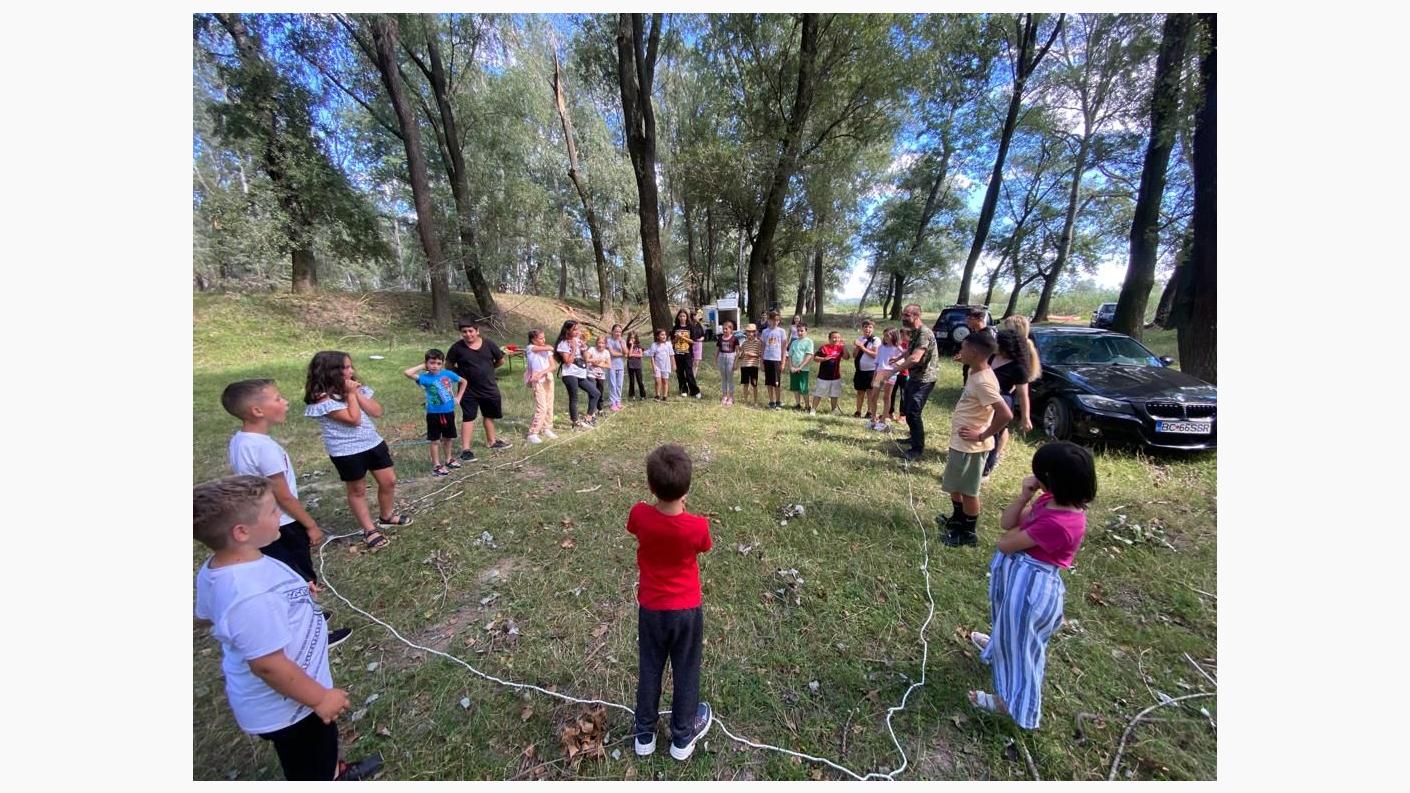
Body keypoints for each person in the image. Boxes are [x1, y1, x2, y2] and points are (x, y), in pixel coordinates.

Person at [194, 475, 382, 780]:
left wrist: (294, 593)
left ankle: (335, 770)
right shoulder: (248, 594)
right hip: (291, 707)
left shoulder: (231, 565)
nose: (280, 514)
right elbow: (268, 665)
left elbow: (209, 614)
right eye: (272, 511)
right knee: (311, 762)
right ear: (241, 532)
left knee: (319, 750)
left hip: (299, 696)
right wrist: (320, 698)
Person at [968, 442, 1096, 730]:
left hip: (1032, 589)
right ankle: (998, 645)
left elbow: (1005, 543)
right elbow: (1007, 523)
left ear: (1051, 479)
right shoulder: (1049, 501)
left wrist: (1019, 529)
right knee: (1007, 624)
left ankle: (1013, 704)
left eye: (1038, 473)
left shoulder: (1062, 523)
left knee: (1024, 649)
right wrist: (1024, 496)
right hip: (1019, 578)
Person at [221, 378, 352, 648]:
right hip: (283, 525)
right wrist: (310, 524)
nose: (286, 402)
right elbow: (282, 494)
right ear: (257, 410)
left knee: (287, 576)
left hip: (264, 523)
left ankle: (308, 617)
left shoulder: (240, 441)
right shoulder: (264, 448)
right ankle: (311, 634)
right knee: (300, 579)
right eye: (278, 398)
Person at [627, 444, 714, 761]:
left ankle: (644, 734)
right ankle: (682, 738)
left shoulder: (639, 515)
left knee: (650, 668)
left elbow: (636, 525)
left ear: (651, 486)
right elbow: (704, 546)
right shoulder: (697, 526)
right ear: (687, 489)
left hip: (651, 610)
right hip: (687, 611)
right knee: (686, 670)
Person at [303, 351, 408, 550]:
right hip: (346, 451)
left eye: (351, 366)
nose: (351, 371)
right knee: (357, 490)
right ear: (330, 371)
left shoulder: (354, 388)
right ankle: (369, 529)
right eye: (345, 368)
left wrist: (355, 392)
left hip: (372, 442)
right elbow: (353, 419)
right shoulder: (322, 399)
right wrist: (351, 395)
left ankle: (386, 516)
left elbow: (376, 412)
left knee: (389, 481)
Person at [938, 331, 1013, 547]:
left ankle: (968, 533)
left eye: (963, 348)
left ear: (974, 352)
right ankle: (957, 520)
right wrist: (965, 360)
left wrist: (982, 435)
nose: (959, 351)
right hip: (960, 442)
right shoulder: (976, 369)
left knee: (968, 492)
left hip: (972, 446)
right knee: (955, 485)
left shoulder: (983, 381)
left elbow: (1005, 414)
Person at [446, 318, 511, 458]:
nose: (468, 334)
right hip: (468, 390)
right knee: (468, 417)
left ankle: (492, 442)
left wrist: (489, 369)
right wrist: (460, 375)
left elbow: (500, 360)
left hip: (489, 387)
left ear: (477, 331)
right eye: (464, 332)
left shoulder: (489, 344)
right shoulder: (456, 348)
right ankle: (466, 450)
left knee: (489, 415)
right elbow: (449, 366)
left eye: (471, 331)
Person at [403, 349, 467, 477]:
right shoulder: (424, 378)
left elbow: (464, 381)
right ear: (427, 363)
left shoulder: (448, 374)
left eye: (438, 363)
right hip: (433, 414)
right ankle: (437, 465)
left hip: (448, 412)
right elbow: (407, 373)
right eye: (432, 363)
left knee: (448, 438)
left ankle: (448, 459)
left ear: (442, 364)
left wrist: (459, 397)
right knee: (435, 440)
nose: (435, 366)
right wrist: (422, 365)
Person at [983, 329, 1035, 479]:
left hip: (1001, 403)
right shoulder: (992, 357)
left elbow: (1023, 395)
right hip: (984, 401)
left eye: (998, 342)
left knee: (993, 436)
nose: (995, 344)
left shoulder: (1018, 367)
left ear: (1006, 346)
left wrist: (1025, 418)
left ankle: (985, 470)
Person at [890, 304, 940, 462]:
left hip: (924, 378)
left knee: (913, 412)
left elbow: (915, 358)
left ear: (917, 316)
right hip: (915, 377)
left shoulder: (924, 333)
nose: (903, 318)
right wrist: (898, 358)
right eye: (903, 314)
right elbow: (909, 351)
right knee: (908, 408)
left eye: (907, 315)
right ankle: (913, 437)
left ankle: (917, 449)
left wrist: (893, 371)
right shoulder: (915, 332)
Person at [555, 320, 600, 428]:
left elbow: (585, 358)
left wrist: (584, 348)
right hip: (570, 374)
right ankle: (575, 422)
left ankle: (588, 418)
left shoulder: (577, 340)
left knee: (595, 393)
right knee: (574, 397)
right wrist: (574, 348)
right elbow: (568, 361)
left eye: (578, 329)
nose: (577, 331)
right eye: (574, 329)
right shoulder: (563, 344)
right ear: (567, 330)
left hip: (581, 373)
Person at [524, 329, 559, 444]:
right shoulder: (530, 348)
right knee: (542, 407)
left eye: (544, 337)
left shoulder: (546, 351)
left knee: (549, 404)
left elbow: (553, 366)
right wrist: (538, 374)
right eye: (540, 338)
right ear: (533, 339)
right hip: (537, 381)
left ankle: (546, 428)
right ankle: (533, 433)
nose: (543, 340)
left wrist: (543, 372)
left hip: (548, 378)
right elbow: (549, 347)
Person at [869, 329, 902, 431]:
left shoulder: (898, 349)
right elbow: (877, 364)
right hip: (880, 373)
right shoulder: (881, 347)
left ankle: (883, 420)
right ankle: (873, 418)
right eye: (884, 335)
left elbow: (902, 363)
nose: (885, 338)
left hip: (890, 374)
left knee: (886, 397)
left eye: (888, 335)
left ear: (894, 336)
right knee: (873, 396)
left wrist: (895, 362)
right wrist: (874, 377)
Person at [810, 330, 847, 415]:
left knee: (834, 394)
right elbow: (815, 358)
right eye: (834, 337)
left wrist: (844, 347)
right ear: (829, 339)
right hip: (823, 376)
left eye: (838, 337)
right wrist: (824, 359)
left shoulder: (840, 348)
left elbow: (846, 357)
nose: (836, 339)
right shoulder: (824, 347)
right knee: (819, 393)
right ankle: (813, 409)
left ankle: (834, 410)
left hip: (835, 376)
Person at [958, 309, 995, 385]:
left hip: (979, 374)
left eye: (970, 319)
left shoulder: (987, 335)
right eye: (966, 318)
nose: (967, 321)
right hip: (970, 372)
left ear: (980, 319)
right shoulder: (974, 333)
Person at [671, 309, 701, 399]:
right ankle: (683, 390)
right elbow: (672, 342)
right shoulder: (675, 328)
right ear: (678, 317)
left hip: (687, 354)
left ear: (687, 317)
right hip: (677, 354)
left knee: (689, 373)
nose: (682, 318)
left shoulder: (690, 327)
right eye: (680, 316)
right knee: (680, 373)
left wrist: (683, 337)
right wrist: (677, 338)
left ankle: (695, 391)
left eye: (684, 316)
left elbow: (693, 341)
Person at [852, 319, 879, 418]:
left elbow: (875, 355)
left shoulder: (876, 340)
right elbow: (854, 355)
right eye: (865, 327)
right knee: (860, 391)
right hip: (860, 370)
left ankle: (870, 411)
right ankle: (858, 411)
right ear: (862, 328)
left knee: (870, 392)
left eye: (870, 327)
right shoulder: (860, 339)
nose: (867, 329)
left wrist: (862, 347)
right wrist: (857, 347)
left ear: (873, 329)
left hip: (871, 370)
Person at [760, 311, 787, 410]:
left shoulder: (781, 331)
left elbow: (784, 348)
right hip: (767, 359)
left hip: (777, 360)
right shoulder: (765, 332)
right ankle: (771, 401)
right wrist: (761, 361)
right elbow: (762, 347)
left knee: (776, 383)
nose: (776, 322)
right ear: (769, 320)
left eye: (778, 320)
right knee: (769, 382)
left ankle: (778, 401)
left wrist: (783, 362)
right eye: (774, 320)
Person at [787, 321, 815, 410]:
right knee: (795, 387)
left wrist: (800, 367)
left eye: (802, 331)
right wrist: (791, 367)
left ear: (806, 331)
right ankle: (798, 404)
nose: (799, 332)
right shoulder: (794, 342)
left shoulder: (809, 342)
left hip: (803, 369)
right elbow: (790, 355)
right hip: (793, 368)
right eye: (798, 331)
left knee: (803, 388)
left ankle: (807, 406)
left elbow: (809, 355)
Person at [735, 323, 764, 406]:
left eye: (752, 332)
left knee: (754, 384)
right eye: (748, 331)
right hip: (744, 366)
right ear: (746, 332)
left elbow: (760, 354)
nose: (750, 333)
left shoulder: (758, 342)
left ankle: (755, 401)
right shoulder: (744, 343)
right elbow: (741, 354)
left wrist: (751, 354)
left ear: (755, 332)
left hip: (753, 366)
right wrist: (741, 354)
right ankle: (745, 401)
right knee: (745, 384)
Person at [714, 320, 739, 406]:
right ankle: (724, 396)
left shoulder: (734, 339)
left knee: (730, 378)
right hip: (722, 357)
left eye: (726, 329)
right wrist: (715, 360)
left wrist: (735, 363)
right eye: (723, 329)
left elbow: (738, 352)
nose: (724, 330)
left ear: (731, 329)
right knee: (723, 378)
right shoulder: (720, 338)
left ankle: (731, 397)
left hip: (730, 358)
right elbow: (717, 350)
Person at [648, 329, 674, 401]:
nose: (664, 336)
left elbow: (672, 355)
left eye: (665, 334)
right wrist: (653, 366)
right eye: (662, 335)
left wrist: (673, 364)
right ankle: (657, 395)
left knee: (665, 381)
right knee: (657, 381)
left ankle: (665, 396)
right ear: (658, 336)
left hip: (666, 365)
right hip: (657, 366)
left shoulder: (668, 344)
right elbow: (652, 356)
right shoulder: (654, 345)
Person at [587, 335, 612, 412]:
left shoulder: (606, 352)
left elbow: (609, 365)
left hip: (601, 375)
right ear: (596, 343)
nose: (600, 345)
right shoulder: (592, 349)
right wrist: (594, 361)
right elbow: (586, 359)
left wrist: (599, 364)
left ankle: (600, 409)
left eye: (602, 343)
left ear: (605, 344)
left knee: (600, 393)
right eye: (599, 343)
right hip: (591, 374)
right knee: (593, 392)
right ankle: (592, 411)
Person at [607, 324, 628, 411]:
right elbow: (612, 353)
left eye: (620, 332)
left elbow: (626, 353)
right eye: (616, 331)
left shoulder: (622, 341)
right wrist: (622, 354)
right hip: (611, 365)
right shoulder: (609, 341)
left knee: (619, 384)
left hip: (620, 366)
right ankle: (612, 403)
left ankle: (618, 401)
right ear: (612, 332)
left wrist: (622, 344)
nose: (618, 333)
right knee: (612, 384)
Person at [626, 330, 647, 401]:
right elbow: (629, 355)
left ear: (636, 338)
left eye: (634, 338)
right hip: (630, 365)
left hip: (638, 365)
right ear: (629, 338)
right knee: (632, 381)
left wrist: (633, 354)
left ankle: (643, 395)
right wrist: (631, 345)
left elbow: (641, 355)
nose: (632, 339)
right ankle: (632, 395)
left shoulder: (639, 345)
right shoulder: (628, 346)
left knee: (640, 380)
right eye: (631, 338)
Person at [689, 309, 706, 377]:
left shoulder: (699, 325)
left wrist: (701, 339)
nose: (698, 317)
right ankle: (689, 376)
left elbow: (703, 335)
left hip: (698, 345)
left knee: (696, 363)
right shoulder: (689, 325)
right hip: (691, 344)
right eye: (696, 316)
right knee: (691, 362)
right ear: (693, 317)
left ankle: (693, 377)